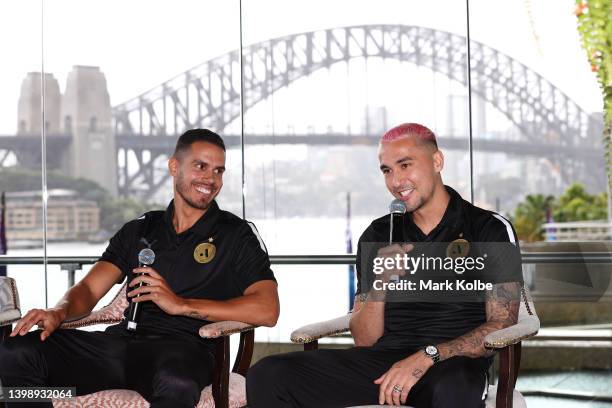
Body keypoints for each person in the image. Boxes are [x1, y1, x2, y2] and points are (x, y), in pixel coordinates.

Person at [247, 123, 523, 407]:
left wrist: (429, 355)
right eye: (387, 170)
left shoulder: (488, 229)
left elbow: (502, 323)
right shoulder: (378, 235)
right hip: (383, 364)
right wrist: (380, 283)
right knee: (267, 375)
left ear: (437, 161)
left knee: (451, 389)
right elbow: (365, 341)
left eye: (405, 165)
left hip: (451, 365)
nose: (396, 181)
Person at [0, 129, 279, 408]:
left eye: (218, 170)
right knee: (17, 351)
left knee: (176, 384)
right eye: (200, 166)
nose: (211, 179)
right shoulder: (140, 229)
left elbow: (267, 309)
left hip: (185, 351)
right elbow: (88, 289)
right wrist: (59, 311)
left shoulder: (236, 234)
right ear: (174, 166)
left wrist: (181, 305)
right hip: (121, 346)